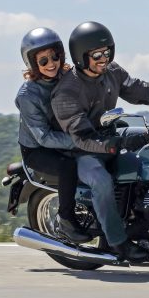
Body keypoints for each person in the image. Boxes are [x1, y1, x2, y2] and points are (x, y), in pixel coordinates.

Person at [51, 21, 149, 261]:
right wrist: (118, 144)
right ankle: (118, 242)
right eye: (97, 55)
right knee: (101, 180)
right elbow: (83, 137)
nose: (104, 59)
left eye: (107, 52)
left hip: (109, 134)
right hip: (81, 150)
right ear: (81, 57)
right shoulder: (67, 92)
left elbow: (144, 91)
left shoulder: (112, 72)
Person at [15, 27, 91, 243]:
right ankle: (66, 220)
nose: (51, 63)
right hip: (38, 149)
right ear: (32, 63)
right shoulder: (28, 95)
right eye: (43, 60)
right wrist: (79, 142)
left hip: (64, 137)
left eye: (55, 56)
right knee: (67, 167)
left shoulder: (68, 77)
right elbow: (44, 137)